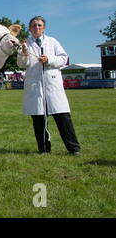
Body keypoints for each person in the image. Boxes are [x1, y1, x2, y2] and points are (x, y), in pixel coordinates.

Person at [17, 16, 81, 155]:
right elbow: (21, 64)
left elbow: (64, 59)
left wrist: (49, 59)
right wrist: (23, 53)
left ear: (44, 28)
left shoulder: (53, 42)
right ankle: (44, 149)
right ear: (30, 28)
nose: (37, 28)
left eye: (39, 25)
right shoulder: (26, 43)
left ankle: (74, 149)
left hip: (52, 85)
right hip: (35, 86)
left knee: (63, 118)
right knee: (39, 120)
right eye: (34, 25)